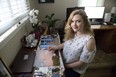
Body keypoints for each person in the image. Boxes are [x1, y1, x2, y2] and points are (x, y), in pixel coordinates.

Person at [48, 9, 96, 77]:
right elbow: (67, 43)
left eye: (78, 21)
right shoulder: (75, 33)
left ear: (85, 22)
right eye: (72, 21)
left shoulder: (89, 41)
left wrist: (65, 66)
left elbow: (81, 62)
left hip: (74, 70)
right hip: (64, 62)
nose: (74, 24)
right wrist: (56, 47)